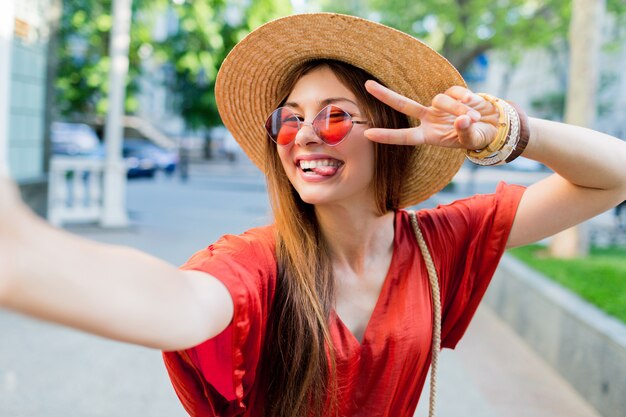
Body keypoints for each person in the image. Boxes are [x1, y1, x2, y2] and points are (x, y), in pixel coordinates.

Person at [1, 13, 625, 417]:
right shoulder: (252, 264)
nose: (305, 136)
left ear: (391, 133)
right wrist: (23, 252)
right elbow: (178, 303)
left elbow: (614, 174)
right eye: (289, 118)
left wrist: (500, 131)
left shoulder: (440, 241)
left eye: (333, 115)